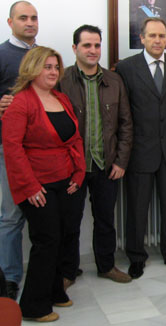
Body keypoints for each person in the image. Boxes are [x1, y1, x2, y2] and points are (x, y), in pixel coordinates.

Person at [2, 46, 85, 322]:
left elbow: (73, 139)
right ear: (31, 69)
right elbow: (12, 149)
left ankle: (55, 293)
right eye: (46, 67)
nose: (52, 72)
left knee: (61, 237)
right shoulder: (20, 102)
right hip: (37, 185)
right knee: (46, 240)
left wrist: (78, 173)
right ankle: (33, 306)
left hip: (65, 180)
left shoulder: (60, 97)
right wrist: (30, 187)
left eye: (55, 67)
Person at [115, 17, 166, 279]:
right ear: (142, 39)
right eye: (153, 36)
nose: (158, 40)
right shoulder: (126, 68)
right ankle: (136, 257)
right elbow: (122, 113)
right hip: (139, 151)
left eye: (162, 36)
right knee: (137, 207)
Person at [58, 25, 133, 286]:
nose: (93, 50)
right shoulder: (62, 80)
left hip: (106, 164)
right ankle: (68, 271)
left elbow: (126, 124)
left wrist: (121, 161)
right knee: (70, 221)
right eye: (87, 45)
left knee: (105, 220)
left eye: (97, 45)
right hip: (73, 168)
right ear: (75, 48)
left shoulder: (114, 81)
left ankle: (106, 265)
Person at [0, 0, 38, 301]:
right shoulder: (1, 55)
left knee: (46, 215)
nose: (30, 22)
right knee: (12, 217)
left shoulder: (42, 56)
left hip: (42, 150)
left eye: (34, 18)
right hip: (11, 150)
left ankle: (46, 271)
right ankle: (10, 278)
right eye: (23, 18)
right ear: (10, 22)